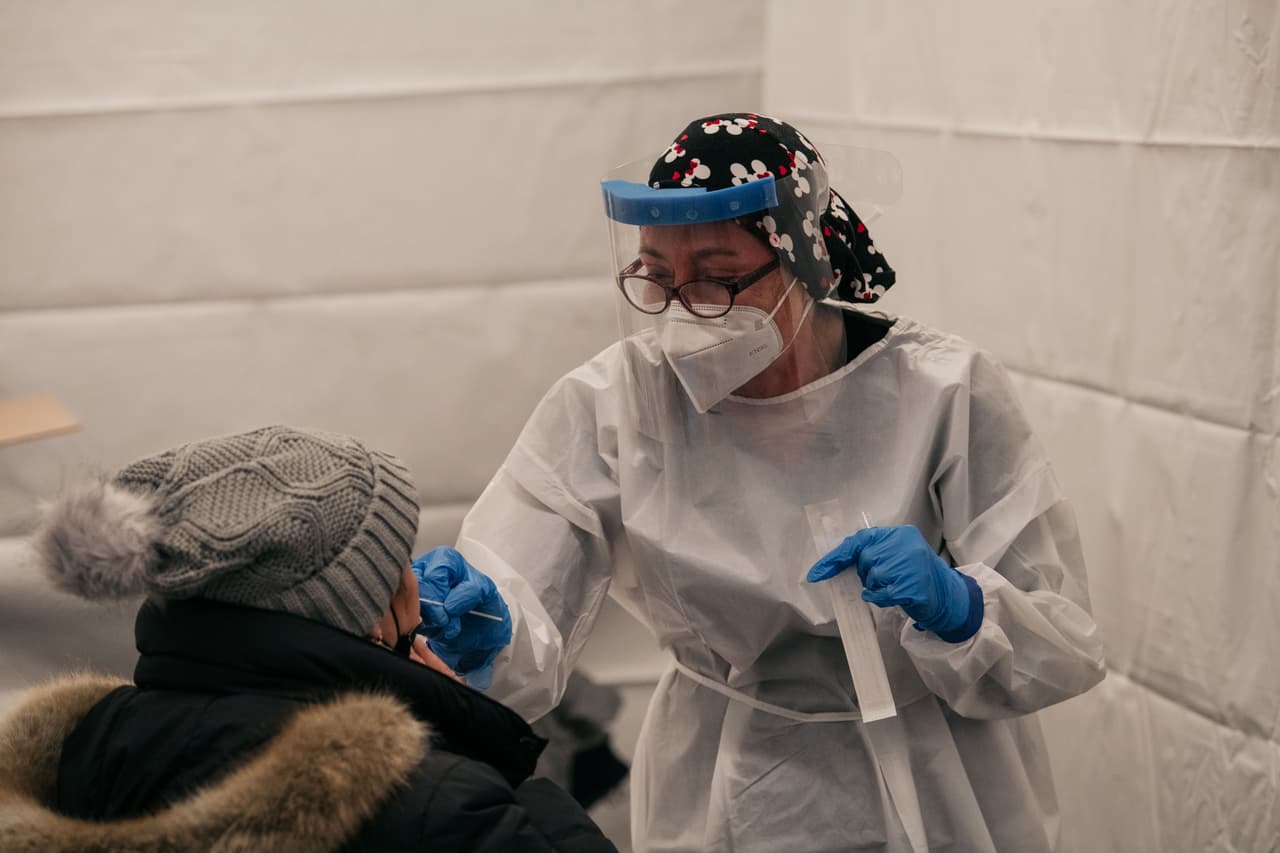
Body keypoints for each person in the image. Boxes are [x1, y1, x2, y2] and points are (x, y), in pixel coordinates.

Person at [412, 113, 1107, 851]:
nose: (685, 311)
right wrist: (487, 623)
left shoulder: (942, 389)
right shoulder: (615, 403)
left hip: (937, 776)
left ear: (804, 262)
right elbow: (523, 576)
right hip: (721, 777)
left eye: (716, 278)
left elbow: (1063, 641)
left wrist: (961, 606)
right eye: (656, 276)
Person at [0, 426, 618, 852]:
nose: (414, 573)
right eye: (396, 560)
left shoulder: (83, 749)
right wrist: (474, 742)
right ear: (365, 609)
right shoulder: (438, 799)